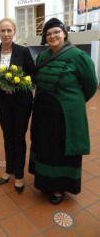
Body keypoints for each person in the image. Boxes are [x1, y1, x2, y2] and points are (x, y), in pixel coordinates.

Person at [29, 18, 98, 205]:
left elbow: (91, 85)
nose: (52, 36)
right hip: (44, 112)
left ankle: (59, 188)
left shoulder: (78, 56)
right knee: (46, 147)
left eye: (56, 32)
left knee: (61, 150)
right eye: (48, 34)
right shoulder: (42, 57)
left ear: (64, 33)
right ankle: (45, 181)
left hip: (65, 116)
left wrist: (73, 103)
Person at [0, 17, 35, 194]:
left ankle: (19, 175)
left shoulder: (23, 52)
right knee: (8, 137)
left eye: (9, 30)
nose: (6, 33)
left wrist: (20, 82)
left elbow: (33, 75)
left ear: (14, 32)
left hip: (21, 103)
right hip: (2, 102)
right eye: (2, 30)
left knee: (19, 138)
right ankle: (9, 170)